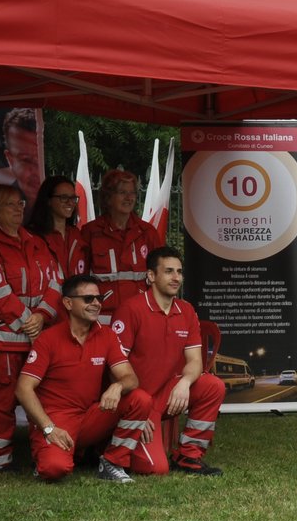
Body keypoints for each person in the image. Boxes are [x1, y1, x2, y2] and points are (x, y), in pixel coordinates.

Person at [15, 273, 155, 483]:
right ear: (68, 303)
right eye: (89, 299)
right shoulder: (48, 339)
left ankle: (112, 462)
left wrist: (117, 386)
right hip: (56, 420)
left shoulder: (106, 335)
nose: (96, 304)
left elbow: (130, 378)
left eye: (99, 299)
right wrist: (49, 428)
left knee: (140, 399)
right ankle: (47, 456)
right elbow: (23, 389)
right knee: (54, 469)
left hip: (89, 416)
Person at [0, 183, 61, 471]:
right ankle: (0, 460)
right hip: (4, 340)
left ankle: (43, 453)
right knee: (3, 400)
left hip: (37, 338)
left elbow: (56, 281)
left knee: (43, 398)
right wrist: (29, 322)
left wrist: (42, 317)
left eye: (20, 203)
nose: (19, 208)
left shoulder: (36, 242)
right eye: (11, 205)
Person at [114, 246, 227, 476]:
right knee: (156, 468)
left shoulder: (186, 310)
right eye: (168, 271)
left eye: (179, 272)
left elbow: (195, 360)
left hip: (166, 393)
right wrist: (136, 413)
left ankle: (189, 456)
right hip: (137, 400)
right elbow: (113, 367)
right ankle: (109, 445)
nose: (176, 278)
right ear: (151, 276)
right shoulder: (131, 309)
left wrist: (185, 383)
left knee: (213, 386)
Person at [81, 168, 155, 313]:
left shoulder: (147, 232)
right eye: (122, 192)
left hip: (140, 314)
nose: (129, 197)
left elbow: (160, 276)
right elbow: (80, 279)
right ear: (108, 198)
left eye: (132, 192)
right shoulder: (90, 232)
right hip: (102, 316)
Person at [27, 175, 88, 277]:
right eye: (64, 198)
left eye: (73, 198)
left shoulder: (76, 234)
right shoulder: (32, 236)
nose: (70, 202)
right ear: (48, 200)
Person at [0, 108, 44, 204]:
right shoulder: (1, 207)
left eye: (41, 158)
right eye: (26, 160)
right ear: (10, 160)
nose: (37, 170)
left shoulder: (61, 201)